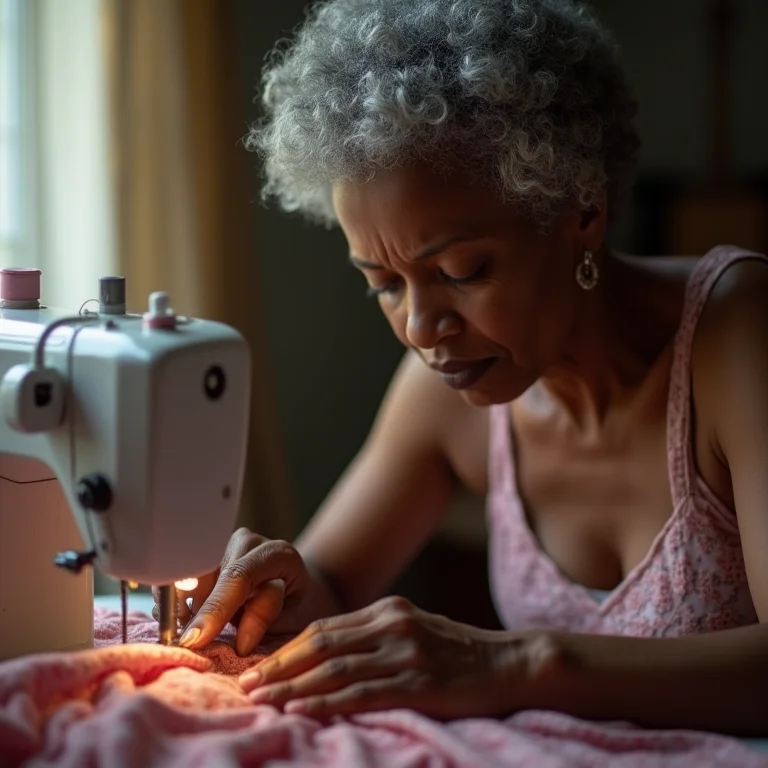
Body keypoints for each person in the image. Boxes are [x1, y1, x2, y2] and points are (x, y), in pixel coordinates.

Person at [157, 0, 768, 734]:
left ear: (583, 212)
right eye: (383, 283)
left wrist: (513, 664)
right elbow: (331, 584)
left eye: (462, 268)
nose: (419, 327)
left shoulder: (738, 334)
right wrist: (277, 584)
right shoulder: (444, 392)